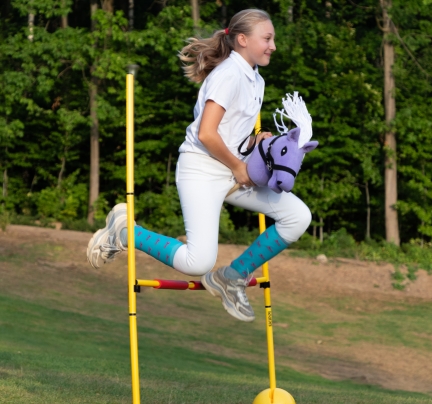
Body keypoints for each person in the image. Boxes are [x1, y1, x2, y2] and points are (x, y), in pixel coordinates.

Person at [87, 9, 311, 322]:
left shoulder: (255, 78)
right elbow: (206, 133)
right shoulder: (229, 75)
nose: (273, 45)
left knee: (298, 216)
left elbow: (228, 134)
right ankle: (125, 232)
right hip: (202, 171)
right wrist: (239, 166)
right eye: (268, 38)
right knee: (197, 263)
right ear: (243, 40)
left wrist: (254, 144)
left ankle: (231, 278)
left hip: (231, 169)